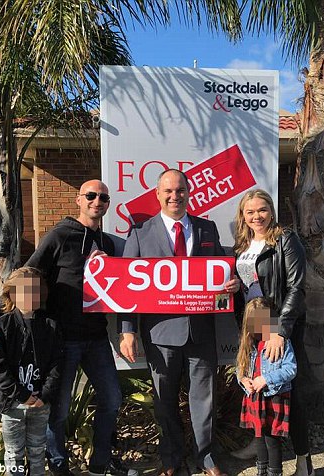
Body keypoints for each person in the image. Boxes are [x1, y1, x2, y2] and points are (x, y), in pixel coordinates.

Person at [0, 180, 137, 476]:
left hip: (96, 337)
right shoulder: (59, 235)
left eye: (103, 197)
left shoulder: (108, 244)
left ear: (108, 204)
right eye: (90, 195)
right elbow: (26, 275)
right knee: (58, 410)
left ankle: (100, 463)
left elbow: (123, 287)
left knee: (111, 400)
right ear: (79, 200)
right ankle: (58, 466)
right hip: (61, 341)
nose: (97, 201)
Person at [119, 169, 240, 476]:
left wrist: (231, 284)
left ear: (189, 192)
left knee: (204, 400)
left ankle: (206, 458)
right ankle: (172, 459)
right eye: (168, 191)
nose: (175, 196)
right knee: (164, 402)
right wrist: (127, 330)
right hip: (160, 334)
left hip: (201, 332)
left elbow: (221, 272)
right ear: (158, 195)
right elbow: (127, 288)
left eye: (180, 190)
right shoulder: (140, 233)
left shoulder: (207, 229)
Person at [232, 189, 313, 476]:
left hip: (278, 326)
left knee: (289, 391)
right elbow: (246, 288)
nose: (257, 216)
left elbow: (297, 287)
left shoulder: (285, 240)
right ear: (243, 215)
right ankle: (261, 450)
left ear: (271, 211)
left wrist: (280, 331)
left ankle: (304, 460)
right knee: (257, 390)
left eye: (262, 210)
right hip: (252, 328)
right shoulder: (242, 245)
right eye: (250, 211)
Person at [0, 267, 62, 476]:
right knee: (14, 453)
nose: (29, 296)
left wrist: (44, 395)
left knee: (38, 451)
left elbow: (57, 364)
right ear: (11, 293)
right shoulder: (2, 326)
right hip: (12, 403)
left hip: (40, 402)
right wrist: (21, 395)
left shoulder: (50, 326)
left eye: (34, 290)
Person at [236, 297, 297, 476]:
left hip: (274, 397)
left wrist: (266, 379)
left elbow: (291, 369)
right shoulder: (249, 342)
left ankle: (275, 472)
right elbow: (240, 367)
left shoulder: (280, 342)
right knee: (259, 438)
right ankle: (261, 471)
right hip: (256, 398)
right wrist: (243, 379)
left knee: (271, 440)